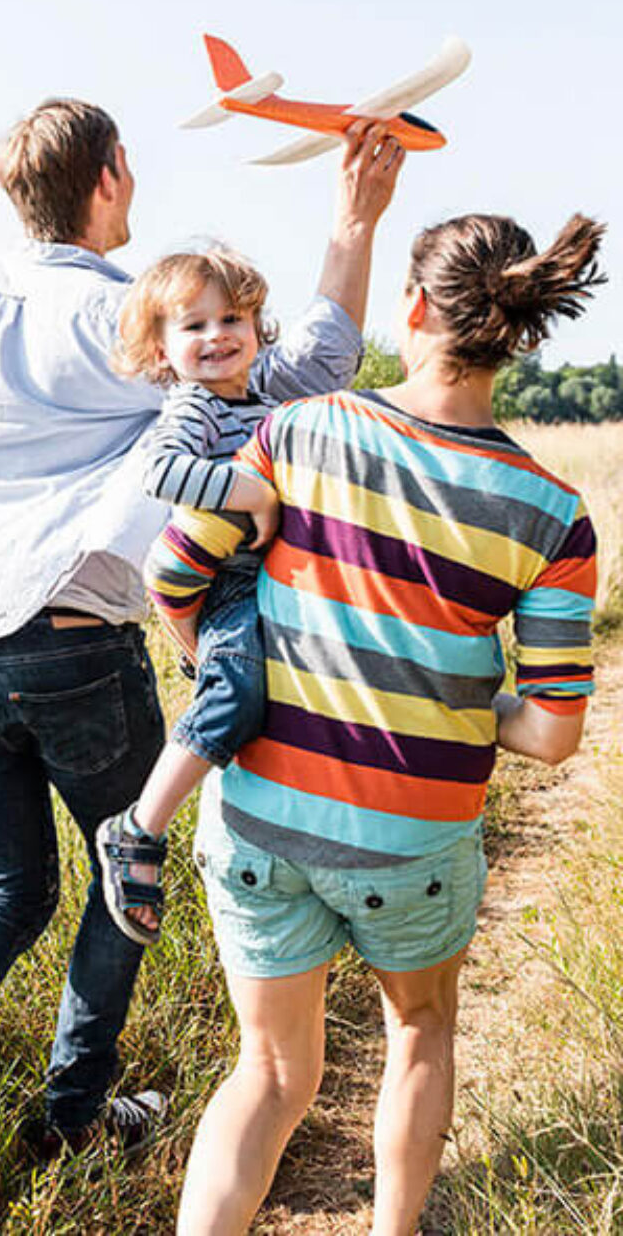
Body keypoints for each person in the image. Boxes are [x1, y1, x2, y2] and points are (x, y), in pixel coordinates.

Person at [0, 97, 403, 1227]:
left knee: (8, 890)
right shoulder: (125, 316)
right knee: (116, 870)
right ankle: (72, 1112)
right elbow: (307, 369)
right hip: (73, 638)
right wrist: (352, 219)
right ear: (112, 178)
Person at [144, 212, 605, 1236]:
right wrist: (451, 700)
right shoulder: (554, 512)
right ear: (520, 335)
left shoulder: (301, 429)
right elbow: (551, 735)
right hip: (415, 840)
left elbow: (169, 573)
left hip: (260, 818)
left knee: (265, 1072)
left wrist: (228, 668)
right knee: (420, 1030)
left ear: (411, 310)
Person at [93, 229, 421, 945]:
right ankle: (138, 828)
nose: (216, 337)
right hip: (231, 587)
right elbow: (162, 473)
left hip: (277, 581)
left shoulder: (266, 397)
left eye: (231, 320)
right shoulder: (195, 407)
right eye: (194, 326)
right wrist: (252, 493)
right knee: (237, 694)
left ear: (257, 328)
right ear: (162, 352)